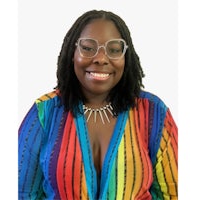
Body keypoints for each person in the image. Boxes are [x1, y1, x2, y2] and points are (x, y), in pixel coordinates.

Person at [18, 9, 178, 200]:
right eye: (87, 47)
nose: (101, 58)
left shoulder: (154, 114)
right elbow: (23, 193)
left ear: (126, 58)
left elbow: (174, 193)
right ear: (72, 52)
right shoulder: (44, 112)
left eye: (114, 50)